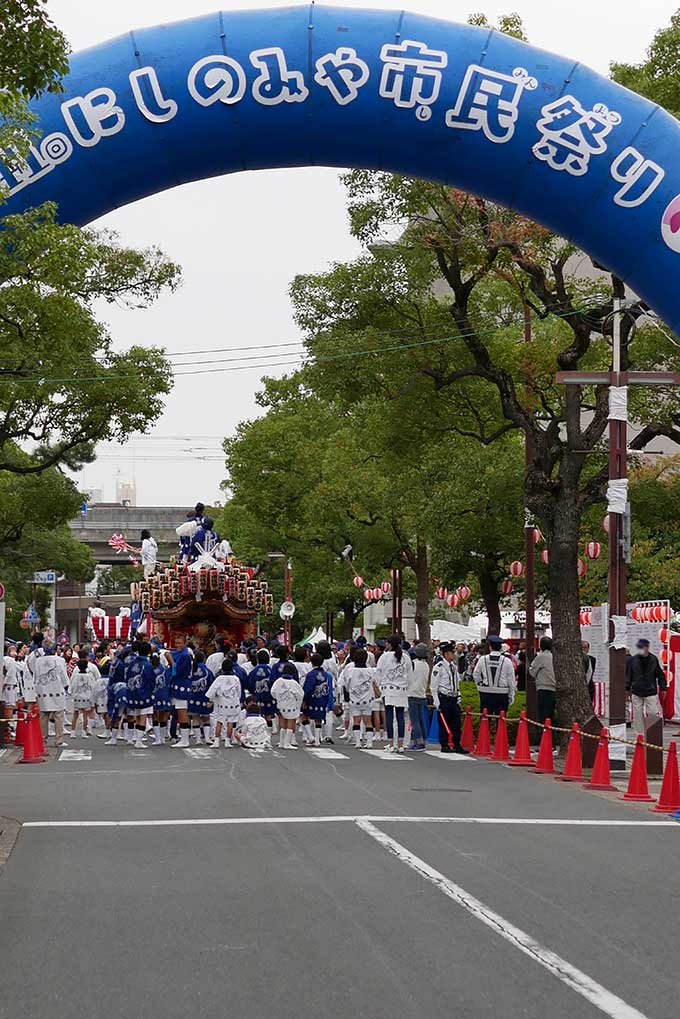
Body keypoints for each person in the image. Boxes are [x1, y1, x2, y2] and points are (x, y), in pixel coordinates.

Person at [375, 634, 412, 753]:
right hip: (401, 689)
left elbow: (378, 673)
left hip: (388, 689)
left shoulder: (384, 657)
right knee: (400, 716)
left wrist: (379, 687)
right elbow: (410, 675)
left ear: (390, 644)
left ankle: (391, 744)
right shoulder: (405, 657)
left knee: (389, 716)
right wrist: (407, 688)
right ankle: (400, 744)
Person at [431, 642, 469, 754]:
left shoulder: (454, 667)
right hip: (444, 697)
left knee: (456, 722)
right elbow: (434, 686)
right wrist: (437, 702)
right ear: (446, 653)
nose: (454, 654)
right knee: (444, 723)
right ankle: (444, 744)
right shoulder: (439, 667)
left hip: (453, 697)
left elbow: (456, 683)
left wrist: (459, 696)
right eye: (452, 652)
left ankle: (457, 744)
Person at [626, 638, 667, 737]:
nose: (641, 649)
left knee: (652, 712)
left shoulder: (653, 659)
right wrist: (626, 689)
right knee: (637, 714)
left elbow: (660, 674)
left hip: (650, 690)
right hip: (637, 690)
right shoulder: (634, 660)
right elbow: (629, 675)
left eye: (642, 647)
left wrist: (663, 688)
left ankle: (652, 734)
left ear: (647, 647)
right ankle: (639, 735)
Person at [34, 640, 69, 747]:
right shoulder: (60, 660)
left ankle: (43, 740)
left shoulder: (38, 661)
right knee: (58, 715)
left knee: (44, 715)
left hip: (42, 689)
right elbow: (63, 675)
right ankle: (58, 740)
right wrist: (66, 685)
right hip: (57, 688)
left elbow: (35, 676)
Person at [343, 647, 378, 748]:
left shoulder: (350, 671)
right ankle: (369, 742)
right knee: (368, 721)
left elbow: (346, 684)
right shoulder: (371, 671)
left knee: (356, 720)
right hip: (368, 699)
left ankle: (358, 742)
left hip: (354, 699)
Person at [473, 634, 516, 715]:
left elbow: (476, 674)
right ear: (500, 648)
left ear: (490, 647)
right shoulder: (507, 661)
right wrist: (511, 695)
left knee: (485, 720)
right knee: (501, 721)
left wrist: (480, 685)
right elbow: (511, 680)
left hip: (486, 693)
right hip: (502, 694)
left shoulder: (483, 659)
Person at [124, 640, 156, 748]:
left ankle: (135, 739)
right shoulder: (147, 664)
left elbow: (127, 677)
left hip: (132, 692)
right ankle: (138, 741)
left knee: (137, 715)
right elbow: (152, 680)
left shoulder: (133, 663)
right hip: (144, 693)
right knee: (143, 716)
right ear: (148, 652)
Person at [165, 631, 193, 748]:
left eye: (180, 643)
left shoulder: (185, 656)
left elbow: (178, 671)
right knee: (179, 711)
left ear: (185, 643)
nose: (177, 645)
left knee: (182, 712)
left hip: (182, 686)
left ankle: (185, 739)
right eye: (176, 643)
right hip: (177, 685)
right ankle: (183, 737)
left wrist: (171, 661)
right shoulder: (180, 654)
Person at [206, 659, 243, 747]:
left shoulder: (219, 678)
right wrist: (237, 698)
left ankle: (216, 741)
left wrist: (210, 699)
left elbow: (212, 690)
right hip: (233, 703)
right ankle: (227, 741)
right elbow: (239, 692)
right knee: (230, 722)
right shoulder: (236, 678)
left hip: (222, 703)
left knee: (220, 721)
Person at [271, 661, 303, 749]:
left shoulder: (278, 681)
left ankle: (281, 742)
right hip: (291, 705)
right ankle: (287, 743)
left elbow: (272, 692)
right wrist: (298, 702)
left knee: (282, 722)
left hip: (281, 704)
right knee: (291, 721)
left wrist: (278, 698)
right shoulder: (294, 683)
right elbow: (300, 694)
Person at [302, 652, 332, 746]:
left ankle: (310, 737)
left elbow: (308, 688)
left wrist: (304, 699)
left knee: (304, 716)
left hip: (311, 699)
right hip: (322, 699)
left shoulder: (311, 674)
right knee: (318, 719)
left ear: (311, 662)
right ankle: (317, 739)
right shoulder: (326, 674)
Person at [529, 636, 556, 731]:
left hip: (544, 689)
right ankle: (552, 740)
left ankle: (543, 738)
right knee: (551, 715)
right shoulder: (555, 657)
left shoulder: (541, 656)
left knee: (543, 715)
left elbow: (532, 671)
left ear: (541, 646)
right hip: (555, 689)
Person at [407, 643, 430, 751]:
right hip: (422, 694)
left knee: (414, 720)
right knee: (421, 719)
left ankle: (418, 742)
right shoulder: (426, 665)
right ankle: (423, 741)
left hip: (412, 694)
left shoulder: (413, 664)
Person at [69, 657, 95, 738]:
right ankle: (83, 732)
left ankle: (72, 732)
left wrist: (72, 694)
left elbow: (72, 686)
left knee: (75, 714)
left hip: (77, 696)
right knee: (85, 715)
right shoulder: (89, 677)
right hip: (86, 697)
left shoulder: (75, 676)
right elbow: (92, 687)